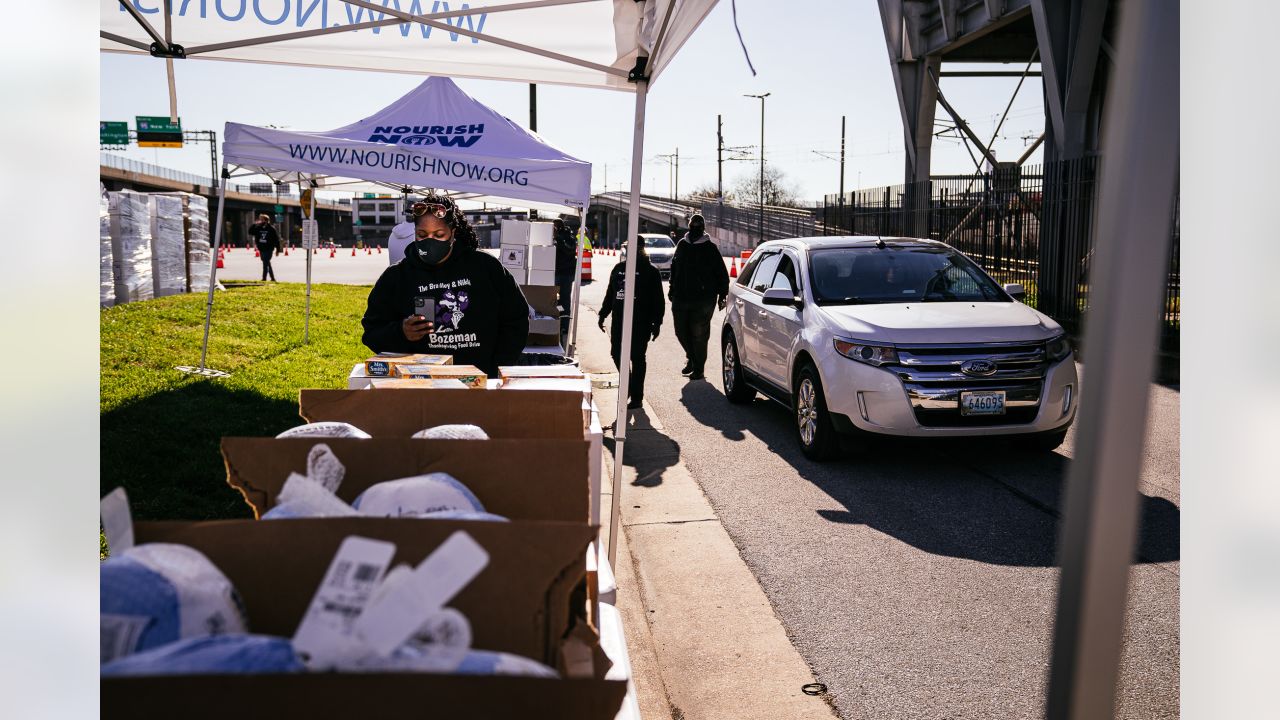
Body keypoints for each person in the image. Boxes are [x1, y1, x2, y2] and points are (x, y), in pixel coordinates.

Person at [360, 194, 530, 377]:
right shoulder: (396, 276)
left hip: (479, 383)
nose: (430, 241)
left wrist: (497, 367)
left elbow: (516, 319)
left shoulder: (485, 268)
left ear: (453, 234)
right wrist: (401, 332)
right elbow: (372, 332)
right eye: (422, 235)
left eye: (439, 235)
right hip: (421, 385)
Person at [598, 238, 664, 410]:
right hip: (619, 321)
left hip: (641, 322)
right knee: (616, 353)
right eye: (628, 248)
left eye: (635, 248)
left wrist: (657, 323)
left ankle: (637, 397)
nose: (631, 251)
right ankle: (627, 381)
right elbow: (610, 294)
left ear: (642, 249)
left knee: (637, 357)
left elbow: (658, 301)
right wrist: (603, 313)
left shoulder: (651, 272)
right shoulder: (619, 269)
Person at [667, 213, 729, 380]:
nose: (695, 229)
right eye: (692, 226)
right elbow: (674, 269)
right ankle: (692, 358)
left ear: (702, 229)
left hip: (703, 300)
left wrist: (723, 295)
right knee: (681, 332)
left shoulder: (710, 248)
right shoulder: (682, 245)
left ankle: (699, 368)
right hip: (681, 297)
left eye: (698, 227)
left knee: (699, 335)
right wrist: (672, 288)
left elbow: (722, 275)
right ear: (689, 227)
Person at [552, 218, 578, 342]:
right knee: (552, 300)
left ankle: (565, 326)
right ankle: (555, 323)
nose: (553, 229)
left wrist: (558, 238)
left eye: (555, 227)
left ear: (560, 227)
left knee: (564, 300)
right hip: (554, 273)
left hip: (565, 274)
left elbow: (570, 249)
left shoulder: (568, 236)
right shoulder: (551, 236)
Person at [249, 214, 281, 282]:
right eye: (260, 219)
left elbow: (276, 240)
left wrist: (278, 250)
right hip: (261, 248)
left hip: (268, 249)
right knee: (267, 263)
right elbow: (250, 232)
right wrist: (255, 224)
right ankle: (272, 278)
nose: (260, 221)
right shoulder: (258, 228)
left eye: (262, 219)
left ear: (266, 221)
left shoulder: (271, 229)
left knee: (265, 263)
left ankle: (264, 278)